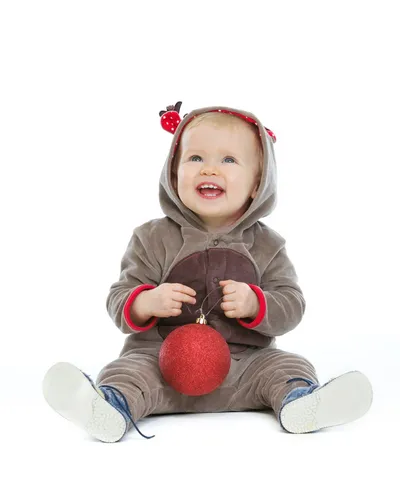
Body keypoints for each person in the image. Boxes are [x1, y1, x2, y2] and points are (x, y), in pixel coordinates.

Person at [42, 102, 373, 443]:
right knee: (127, 372)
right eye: (195, 158)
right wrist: (146, 301)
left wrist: (255, 304)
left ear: (258, 181)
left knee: (288, 366)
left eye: (228, 160)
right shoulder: (151, 238)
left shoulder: (267, 245)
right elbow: (118, 299)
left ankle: (300, 403)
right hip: (162, 366)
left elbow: (292, 304)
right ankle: (110, 408)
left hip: (244, 369)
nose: (209, 170)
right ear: (173, 173)